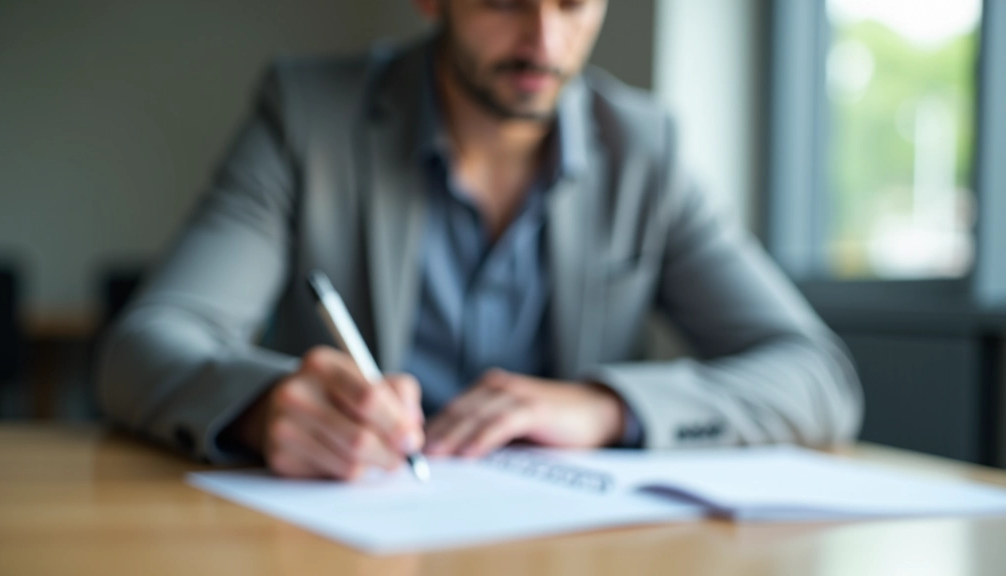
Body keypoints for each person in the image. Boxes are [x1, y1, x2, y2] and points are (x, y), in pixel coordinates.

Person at [98, 0, 863, 480]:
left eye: (573, 2)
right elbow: (145, 346)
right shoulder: (309, 120)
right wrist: (266, 409)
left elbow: (818, 377)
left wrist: (607, 408)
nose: (544, 39)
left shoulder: (644, 153)